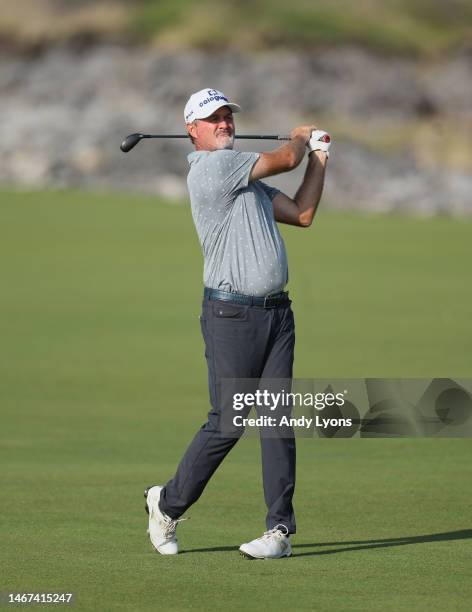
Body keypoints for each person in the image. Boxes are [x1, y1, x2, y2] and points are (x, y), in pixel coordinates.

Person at [145, 88, 330, 559]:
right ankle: (166, 505)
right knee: (229, 421)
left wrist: (320, 159)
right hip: (231, 315)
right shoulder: (212, 169)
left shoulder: (247, 183)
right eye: (214, 119)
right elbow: (285, 157)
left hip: (277, 315)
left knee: (275, 421)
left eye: (228, 116)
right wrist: (299, 139)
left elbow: (303, 214)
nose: (225, 123)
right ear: (194, 131)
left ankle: (279, 532)